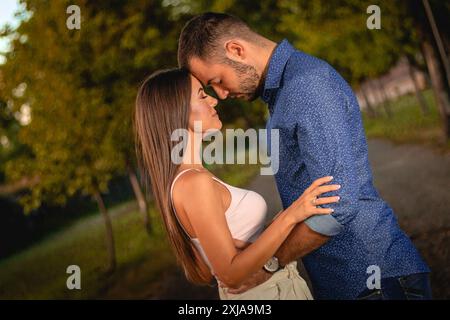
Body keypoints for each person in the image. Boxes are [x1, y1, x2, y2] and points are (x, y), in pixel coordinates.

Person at [176, 12, 432, 300]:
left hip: (372, 276)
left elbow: (340, 204)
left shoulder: (305, 86)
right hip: (349, 282)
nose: (220, 95)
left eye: (218, 80)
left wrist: (270, 264)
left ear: (236, 50)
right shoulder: (282, 92)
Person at [134, 68, 341, 299]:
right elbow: (231, 275)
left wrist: (261, 237)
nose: (214, 99)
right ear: (177, 111)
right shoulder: (194, 183)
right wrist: (290, 215)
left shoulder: (188, 179)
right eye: (202, 95)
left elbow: (203, 272)